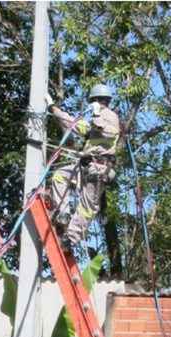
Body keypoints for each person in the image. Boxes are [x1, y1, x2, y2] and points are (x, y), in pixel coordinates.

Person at [45, 83, 120, 250]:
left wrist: (97, 114)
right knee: (60, 175)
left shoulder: (109, 116)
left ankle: (70, 239)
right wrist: (53, 108)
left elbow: (110, 133)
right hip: (85, 167)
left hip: (100, 169)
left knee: (87, 208)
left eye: (94, 102)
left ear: (99, 101)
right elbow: (72, 123)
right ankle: (63, 213)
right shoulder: (93, 121)